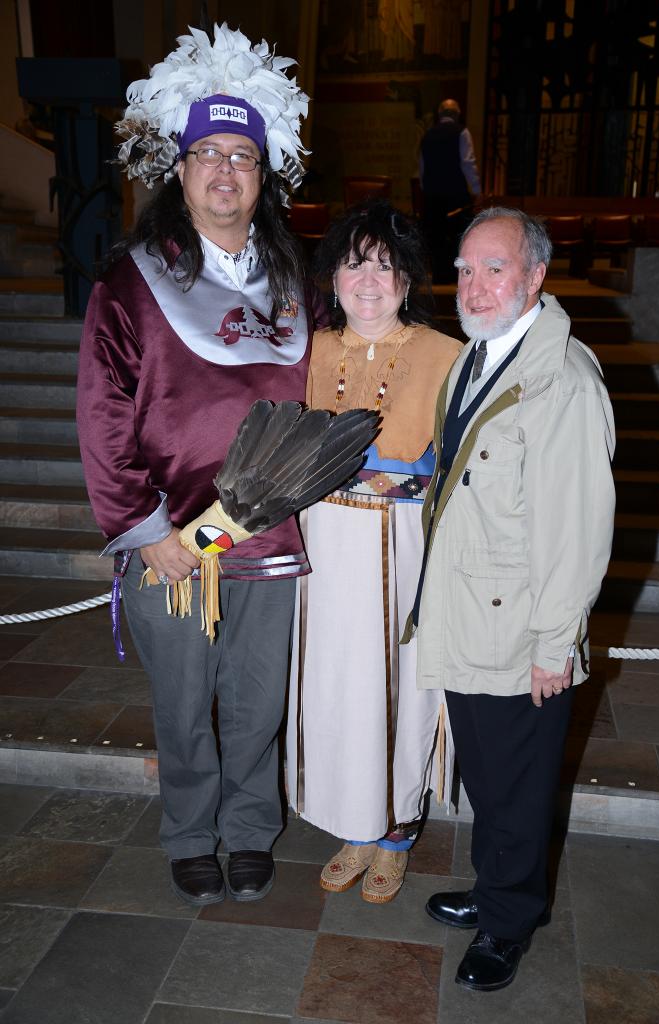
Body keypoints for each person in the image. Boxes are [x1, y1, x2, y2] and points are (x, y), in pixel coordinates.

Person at [77, 24, 318, 907]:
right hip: (173, 544)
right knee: (183, 707)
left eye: (242, 156)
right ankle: (189, 833)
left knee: (257, 703)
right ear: (179, 172)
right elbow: (103, 414)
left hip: (273, 539)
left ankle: (249, 828)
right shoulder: (130, 283)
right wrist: (144, 532)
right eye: (208, 154)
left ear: (263, 176)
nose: (225, 170)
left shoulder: (297, 285)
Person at [404, 207, 615, 989]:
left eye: (494, 269)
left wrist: (554, 644)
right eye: (464, 268)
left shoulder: (562, 381)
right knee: (490, 776)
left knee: (517, 785)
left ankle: (508, 921)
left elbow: (577, 529)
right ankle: (497, 887)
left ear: (533, 278)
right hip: (470, 612)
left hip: (521, 630)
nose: (473, 284)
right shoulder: (479, 355)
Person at [286, 199, 462, 903]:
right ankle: (353, 826)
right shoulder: (307, 351)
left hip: (402, 547)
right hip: (321, 549)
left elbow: (468, 464)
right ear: (332, 277)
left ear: (407, 280)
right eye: (354, 265)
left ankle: (393, 833)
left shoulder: (446, 355)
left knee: (396, 689)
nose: (368, 281)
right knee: (336, 686)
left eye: (384, 267)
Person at [419, 98, 481, 283]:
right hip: (455, 194)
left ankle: (439, 275)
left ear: (439, 115)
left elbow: (422, 167)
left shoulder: (427, 135)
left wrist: (425, 189)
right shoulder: (462, 132)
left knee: (436, 236)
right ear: (457, 114)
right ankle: (456, 276)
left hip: (432, 195)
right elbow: (468, 163)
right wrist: (476, 190)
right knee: (457, 235)